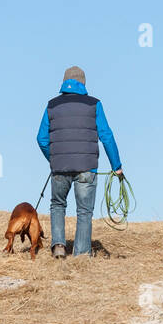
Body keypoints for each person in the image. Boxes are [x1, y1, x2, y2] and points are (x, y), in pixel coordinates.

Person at [36, 66, 123, 258]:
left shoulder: (52, 105)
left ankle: (58, 246)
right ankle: (82, 254)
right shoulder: (94, 104)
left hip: (59, 167)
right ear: (83, 83)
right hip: (87, 166)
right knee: (84, 211)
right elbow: (106, 136)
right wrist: (116, 166)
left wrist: (54, 158)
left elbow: (41, 138)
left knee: (58, 205)